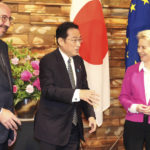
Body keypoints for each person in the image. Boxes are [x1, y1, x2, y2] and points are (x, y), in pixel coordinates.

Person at [34, 22, 99, 150]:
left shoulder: (78, 61)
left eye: (80, 40)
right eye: (74, 40)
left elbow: (84, 90)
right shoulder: (48, 61)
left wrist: (90, 115)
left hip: (74, 129)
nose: (78, 44)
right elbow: (48, 90)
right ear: (61, 41)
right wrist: (77, 94)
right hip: (52, 130)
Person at [119, 29, 150, 150]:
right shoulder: (131, 70)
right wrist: (135, 107)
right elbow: (123, 96)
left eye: (143, 47)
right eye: (138, 47)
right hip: (133, 124)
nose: (139, 51)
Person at [0, 3, 21, 150]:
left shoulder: (3, 46)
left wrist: (10, 124)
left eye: (9, 19)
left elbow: (6, 89)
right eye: (3, 18)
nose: (7, 23)